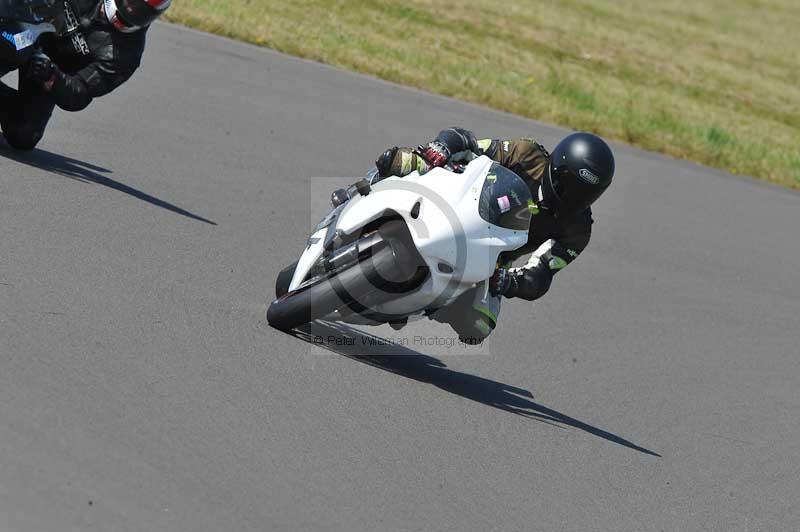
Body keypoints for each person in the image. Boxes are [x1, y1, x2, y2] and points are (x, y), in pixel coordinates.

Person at [374, 127, 615, 344]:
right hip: (455, 205)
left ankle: (415, 304)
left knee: (478, 326)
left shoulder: (577, 231)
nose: (574, 197)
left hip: (488, 262)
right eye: (569, 185)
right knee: (403, 161)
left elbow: (540, 275)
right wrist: (443, 147)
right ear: (556, 167)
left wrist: (508, 282)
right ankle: (362, 194)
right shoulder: (526, 154)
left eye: (585, 194)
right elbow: (468, 141)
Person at [0, 0, 171, 151]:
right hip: (21, 23)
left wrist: (53, 77)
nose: (132, 11)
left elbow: (80, 93)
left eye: (142, 10)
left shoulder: (124, 56)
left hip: (45, 64)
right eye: (131, 2)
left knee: (23, 134)